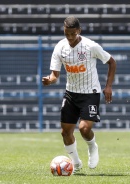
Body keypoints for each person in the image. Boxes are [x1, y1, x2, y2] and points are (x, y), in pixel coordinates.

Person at [42, 16, 116, 173]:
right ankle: (75, 163)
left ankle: (92, 146)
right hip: (71, 93)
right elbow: (55, 75)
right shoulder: (60, 47)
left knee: (83, 128)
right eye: (66, 33)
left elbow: (112, 62)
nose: (69, 37)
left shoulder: (91, 46)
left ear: (79, 31)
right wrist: (49, 80)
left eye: (72, 34)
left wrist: (108, 86)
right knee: (65, 132)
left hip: (90, 93)